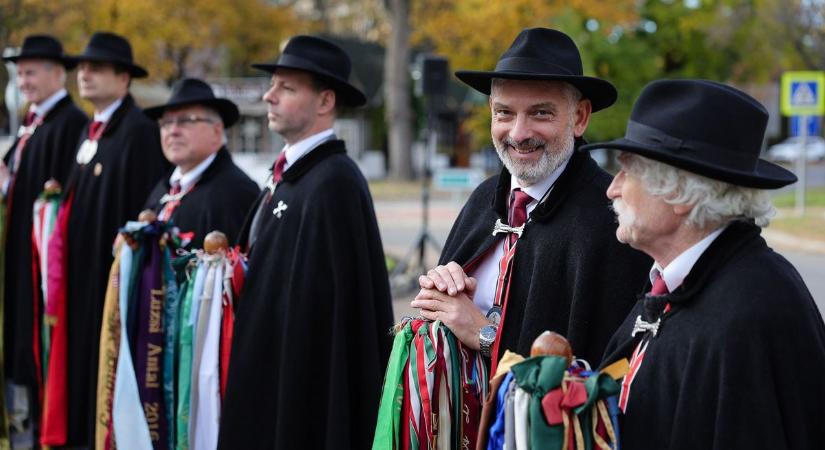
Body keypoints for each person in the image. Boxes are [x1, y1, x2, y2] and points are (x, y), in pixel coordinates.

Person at [588, 79, 825, 449]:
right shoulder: (685, 283)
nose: (612, 188)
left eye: (627, 171)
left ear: (679, 193)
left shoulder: (751, 309)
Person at [412, 28, 651, 369]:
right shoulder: (483, 200)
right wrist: (443, 290)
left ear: (580, 117)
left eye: (540, 113)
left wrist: (485, 337)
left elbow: (604, 379)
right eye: (504, 113)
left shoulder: (614, 221)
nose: (519, 134)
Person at [218, 35, 393, 449]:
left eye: (287, 87)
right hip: (266, 372)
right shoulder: (288, 176)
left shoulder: (333, 182)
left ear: (325, 102)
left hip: (301, 392)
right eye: (273, 85)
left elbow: (333, 322)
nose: (269, 96)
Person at [43, 31, 169, 447]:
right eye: (82, 68)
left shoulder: (137, 131)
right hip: (80, 283)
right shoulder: (91, 132)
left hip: (109, 283)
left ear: (124, 78)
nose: (85, 75)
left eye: (97, 68)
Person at [0, 33, 87, 445]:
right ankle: (23, 429)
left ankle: (39, 431)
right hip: (18, 258)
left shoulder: (69, 124)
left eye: (31, 72)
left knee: (39, 350)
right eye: (19, 74)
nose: (24, 81)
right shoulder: (32, 123)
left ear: (57, 73)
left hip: (43, 269)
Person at [142, 78, 259, 249]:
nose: (173, 131)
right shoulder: (164, 188)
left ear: (216, 131)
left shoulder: (235, 193)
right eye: (166, 123)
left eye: (186, 120)